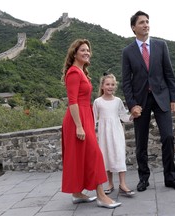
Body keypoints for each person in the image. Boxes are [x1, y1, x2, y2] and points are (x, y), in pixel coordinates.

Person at [121, 11, 175, 192]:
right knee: (141, 142)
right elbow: (126, 82)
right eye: (142, 22)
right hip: (140, 101)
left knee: (168, 136)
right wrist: (132, 104)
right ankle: (144, 178)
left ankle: (170, 178)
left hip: (162, 97)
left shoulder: (161, 45)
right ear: (134, 27)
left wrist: (173, 97)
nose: (146, 25)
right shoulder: (127, 52)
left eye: (147, 22)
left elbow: (169, 73)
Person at [61, 39, 121, 209]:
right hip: (76, 119)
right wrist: (79, 126)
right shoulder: (73, 72)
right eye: (83, 50)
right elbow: (72, 101)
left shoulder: (81, 71)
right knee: (95, 154)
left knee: (82, 155)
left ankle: (77, 193)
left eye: (88, 50)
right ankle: (101, 196)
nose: (87, 53)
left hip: (84, 116)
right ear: (75, 53)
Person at [93, 73, 136, 197]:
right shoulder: (98, 102)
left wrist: (132, 115)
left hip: (116, 133)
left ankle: (123, 184)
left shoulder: (117, 101)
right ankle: (110, 184)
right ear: (102, 86)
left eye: (112, 84)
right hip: (104, 134)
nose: (110, 87)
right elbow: (93, 119)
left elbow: (124, 116)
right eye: (107, 84)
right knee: (106, 157)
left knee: (119, 155)